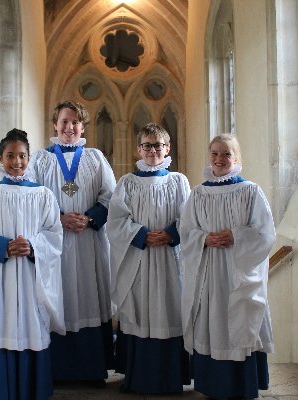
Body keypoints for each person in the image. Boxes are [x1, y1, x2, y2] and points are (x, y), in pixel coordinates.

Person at [0, 129, 65, 400]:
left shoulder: (44, 195)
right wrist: (3, 246)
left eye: (21, 156)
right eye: (10, 155)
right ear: (0, 157)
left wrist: (33, 246)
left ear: (29, 158)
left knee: (31, 324)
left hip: (31, 276)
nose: (16, 162)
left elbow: (54, 234)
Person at [180, 133, 276, 400]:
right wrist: (204, 238)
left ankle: (242, 384)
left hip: (238, 270)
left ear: (237, 158)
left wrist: (237, 236)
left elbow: (265, 232)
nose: (219, 159)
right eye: (214, 153)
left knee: (240, 319)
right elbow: (186, 230)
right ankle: (213, 384)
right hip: (209, 269)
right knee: (212, 320)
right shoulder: (198, 193)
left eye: (226, 154)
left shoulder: (250, 191)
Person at [29, 100, 116, 387]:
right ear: (55, 123)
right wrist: (60, 218)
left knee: (87, 295)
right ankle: (57, 369)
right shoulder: (40, 160)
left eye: (76, 122)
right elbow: (31, 200)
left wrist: (90, 219)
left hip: (89, 242)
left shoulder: (95, 158)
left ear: (83, 126)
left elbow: (111, 198)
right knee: (58, 296)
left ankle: (91, 370)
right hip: (54, 245)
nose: (70, 127)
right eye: (65, 121)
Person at [106, 122, 192, 394]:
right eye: (147, 145)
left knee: (169, 308)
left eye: (158, 145)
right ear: (138, 149)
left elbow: (189, 219)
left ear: (168, 149)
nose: (152, 150)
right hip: (139, 260)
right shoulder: (127, 183)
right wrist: (142, 234)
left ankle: (170, 377)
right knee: (139, 310)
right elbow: (116, 221)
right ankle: (138, 376)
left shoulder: (178, 181)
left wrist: (170, 234)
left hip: (169, 259)